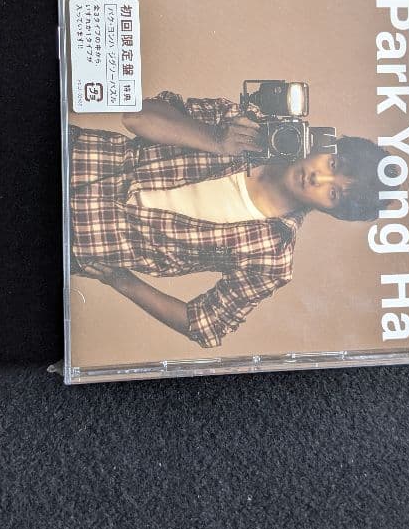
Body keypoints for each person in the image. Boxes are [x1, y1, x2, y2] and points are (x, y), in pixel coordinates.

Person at [69, 90, 389, 348]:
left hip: (77, 241)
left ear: (330, 210)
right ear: (328, 146)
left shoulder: (271, 258)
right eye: (333, 164)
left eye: (333, 194)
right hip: (72, 156)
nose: (318, 179)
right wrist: (216, 139)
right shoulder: (243, 125)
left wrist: (121, 281)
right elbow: (135, 116)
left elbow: (205, 325)